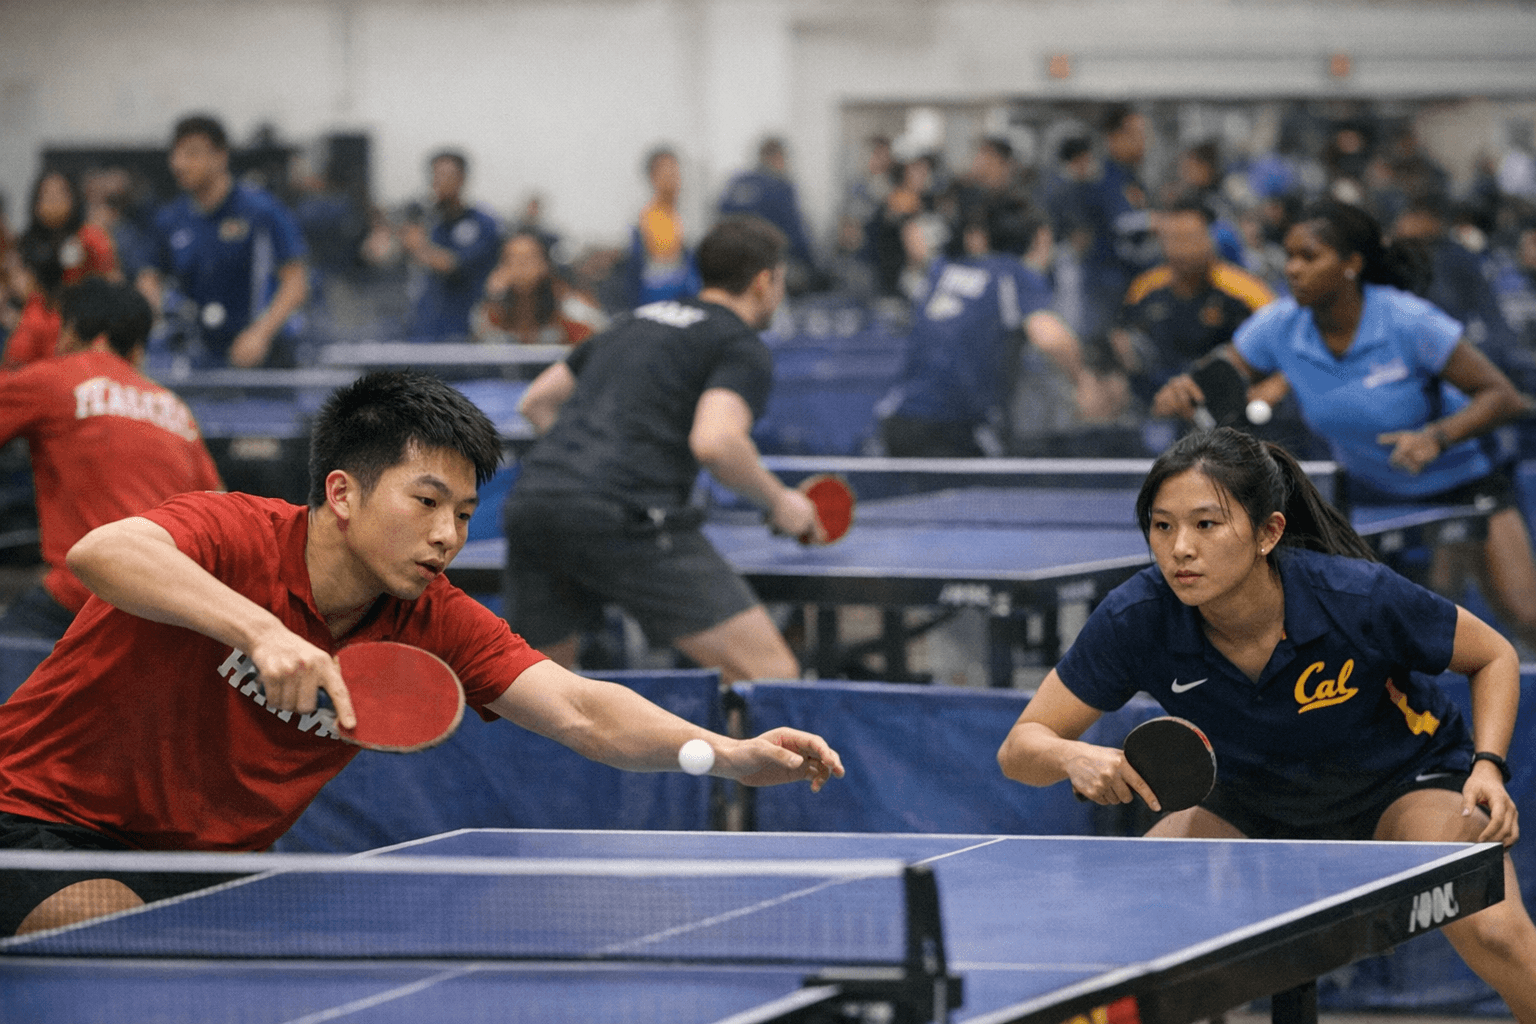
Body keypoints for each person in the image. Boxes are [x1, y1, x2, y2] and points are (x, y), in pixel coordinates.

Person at [0, 368, 843, 937]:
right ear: (342, 491)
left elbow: (582, 710)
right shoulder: (232, 532)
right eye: (427, 500)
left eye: (466, 514)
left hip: (209, 867)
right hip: (39, 820)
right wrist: (259, 631)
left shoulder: (431, 616)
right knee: (119, 957)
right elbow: (103, 552)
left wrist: (727, 755)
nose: (447, 535)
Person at [997, 428, 1536, 1019]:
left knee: (1495, 932)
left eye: (1206, 524)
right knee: (1131, 931)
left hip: (1400, 785)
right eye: (1162, 525)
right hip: (1251, 798)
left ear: (1267, 533)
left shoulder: (1352, 595)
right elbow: (1020, 747)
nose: (1179, 548)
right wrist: (1071, 756)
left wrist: (1487, 765)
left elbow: (1494, 655)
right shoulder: (1138, 617)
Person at [1204, 199, 1536, 653]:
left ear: (1351, 265)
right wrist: (1189, 386)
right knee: (1391, 638)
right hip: (1367, 496)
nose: (1294, 269)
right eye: (1289, 257)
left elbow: (1504, 397)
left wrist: (1435, 438)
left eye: (1309, 257)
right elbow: (1223, 369)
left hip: (1461, 483)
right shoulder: (1281, 325)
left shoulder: (1407, 320)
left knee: (1525, 614)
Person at [503, 215, 816, 683]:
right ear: (764, 280)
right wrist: (781, 501)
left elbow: (537, 403)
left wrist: (584, 464)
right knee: (770, 677)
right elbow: (716, 442)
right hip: (628, 512)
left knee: (538, 695)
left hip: (537, 504)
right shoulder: (738, 342)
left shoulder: (632, 321)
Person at [0, 278, 223, 644]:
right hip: (175, 611)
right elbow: (219, 504)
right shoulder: (176, 408)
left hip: (84, 596)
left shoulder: (57, 376)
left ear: (71, 331)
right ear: (137, 350)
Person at [879, 216, 1099, 458]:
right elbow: (1049, 335)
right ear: (1040, 240)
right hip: (949, 427)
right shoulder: (1012, 274)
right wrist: (1083, 383)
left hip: (899, 420)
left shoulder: (943, 270)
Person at [139, 114, 309, 368]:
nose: (179, 164)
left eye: (191, 154)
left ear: (220, 157)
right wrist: (154, 317)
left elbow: (296, 282)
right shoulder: (170, 219)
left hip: (261, 360)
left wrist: (260, 334)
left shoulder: (262, 211)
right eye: (176, 154)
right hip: (196, 358)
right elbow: (149, 277)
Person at [1113, 197, 1276, 412]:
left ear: (1209, 238)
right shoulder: (1144, 288)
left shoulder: (1247, 291)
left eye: (1190, 238)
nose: (1182, 249)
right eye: (1173, 238)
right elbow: (1126, 344)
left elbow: (1278, 348)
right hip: (1160, 405)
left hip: (1230, 407)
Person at [3, 170, 119, 367]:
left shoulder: (91, 238)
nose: (53, 201)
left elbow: (113, 286)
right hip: (33, 332)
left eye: (60, 194)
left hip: (80, 331)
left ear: (74, 198)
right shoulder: (22, 245)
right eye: (46, 195)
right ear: (35, 202)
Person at [401, 150, 500, 341]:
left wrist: (419, 248)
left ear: (462, 179)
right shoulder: (428, 222)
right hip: (424, 326)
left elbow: (453, 265)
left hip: (464, 327)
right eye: (435, 175)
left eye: (446, 175)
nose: (439, 181)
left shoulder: (483, 224)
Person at [717, 137, 819, 293]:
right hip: (765, 270)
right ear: (777, 157)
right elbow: (797, 236)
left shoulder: (737, 182)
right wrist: (815, 267)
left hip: (730, 269)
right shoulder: (780, 186)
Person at [471, 228, 605, 346]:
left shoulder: (569, 306)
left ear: (546, 265)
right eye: (511, 260)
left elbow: (594, 343)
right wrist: (492, 296)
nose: (520, 268)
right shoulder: (491, 310)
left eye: (528, 259)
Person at [624, 146, 700, 309]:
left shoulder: (685, 215)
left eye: (675, 171)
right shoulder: (647, 218)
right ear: (652, 177)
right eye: (666, 172)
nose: (673, 178)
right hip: (658, 298)